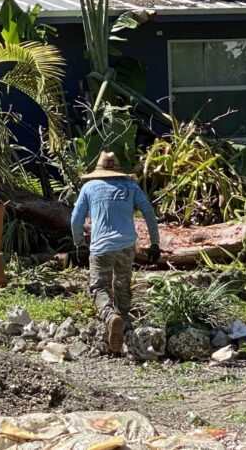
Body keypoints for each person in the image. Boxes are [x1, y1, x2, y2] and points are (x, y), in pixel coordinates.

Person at [70, 151, 160, 352]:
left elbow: (76, 219)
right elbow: (148, 211)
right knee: (123, 284)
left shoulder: (89, 187)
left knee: (98, 287)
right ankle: (125, 328)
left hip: (101, 247)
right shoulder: (130, 186)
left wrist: (79, 244)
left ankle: (111, 318)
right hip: (127, 245)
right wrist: (155, 242)